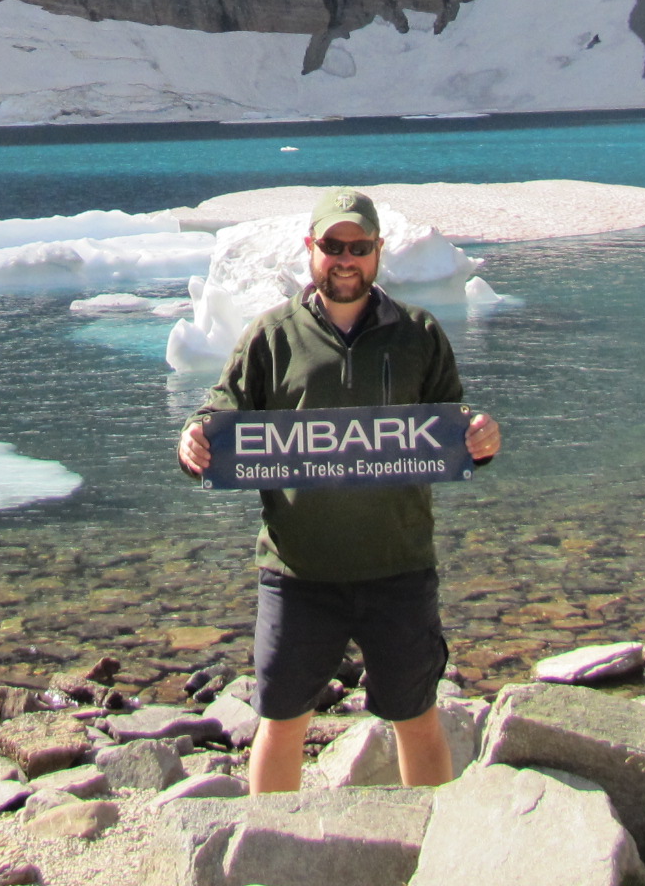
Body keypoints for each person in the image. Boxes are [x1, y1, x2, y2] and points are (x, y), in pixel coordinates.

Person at [176, 186, 502, 792]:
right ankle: (268, 850)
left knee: (416, 715)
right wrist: (193, 441)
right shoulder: (271, 337)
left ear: (378, 253)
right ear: (311, 249)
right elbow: (218, 413)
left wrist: (483, 438)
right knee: (280, 721)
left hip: (399, 568)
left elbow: (451, 426)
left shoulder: (418, 334)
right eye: (332, 245)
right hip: (297, 576)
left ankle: (429, 845)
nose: (345, 258)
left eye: (358, 247)